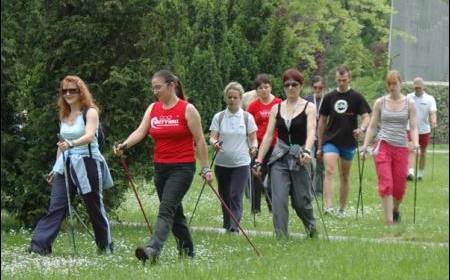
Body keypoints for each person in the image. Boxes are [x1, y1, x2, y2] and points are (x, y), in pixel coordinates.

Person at [113, 70, 213, 264]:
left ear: (171, 86)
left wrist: (206, 168)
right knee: (175, 212)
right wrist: (124, 145)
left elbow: (200, 140)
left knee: (166, 209)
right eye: (153, 88)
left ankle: (153, 248)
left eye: (158, 87)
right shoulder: (153, 108)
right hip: (161, 167)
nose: (155, 91)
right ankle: (188, 252)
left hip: (182, 168)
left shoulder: (187, 109)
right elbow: (141, 131)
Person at [28, 75, 114, 256]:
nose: (68, 94)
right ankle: (38, 247)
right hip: (65, 165)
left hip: (88, 163)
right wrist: (55, 169)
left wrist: (72, 144)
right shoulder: (64, 116)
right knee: (56, 206)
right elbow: (62, 145)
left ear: (81, 91)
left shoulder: (90, 112)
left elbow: (90, 135)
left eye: (72, 90)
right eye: (64, 91)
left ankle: (105, 247)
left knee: (94, 207)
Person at [253, 68, 317, 239]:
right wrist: (258, 160)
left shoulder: (308, 107)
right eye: (287, 85)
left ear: (301, 86)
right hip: (279, 157)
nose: (290, 88)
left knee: (301, 202)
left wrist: (307, 150)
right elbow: (268, 136)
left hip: (300, 157)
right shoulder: (277, 108)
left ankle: (311, 228)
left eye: (294, 84)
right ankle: (281, 237)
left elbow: (311, 131)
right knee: (279, 200)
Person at [360, 70, 419, 226]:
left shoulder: (410, 103)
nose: (392, 87)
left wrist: (416, 143)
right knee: (387, 184)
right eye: (389, 84)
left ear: (401, 83)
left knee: (399, 188)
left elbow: (413, 127)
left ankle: (395, 209)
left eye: (395, 83)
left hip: (401, 146)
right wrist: (365, 147)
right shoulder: (380, 102)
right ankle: (389, 222)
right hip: (383, 144)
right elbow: (372, 126)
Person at [317, 66, 371, 218]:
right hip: (331, 140)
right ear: (335, 79)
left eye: (344, 80)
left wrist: (361, 128)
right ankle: (328, 207)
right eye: (339, 80)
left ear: (349, 79)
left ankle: (341, 209)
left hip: (348, 141)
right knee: (329, 171)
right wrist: (320, 145)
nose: (341, 83)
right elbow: (322, 122)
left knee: (344, 175)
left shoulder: (356, 97)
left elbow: (367, 117)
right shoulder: (329, 97)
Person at [209, 81, 258, 233]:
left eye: (235, 97)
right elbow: (212, 137)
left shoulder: (247, 117)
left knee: (235, 194)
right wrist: (214, 143)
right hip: (222, 162)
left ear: (240, 98)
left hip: (241, 162)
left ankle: (234, 226)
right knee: (224, 195)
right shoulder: (219, 117)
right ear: (225, 98)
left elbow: (253, 138)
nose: (232, 100)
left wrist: (254, 147)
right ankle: (227, 223)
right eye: (229, 97)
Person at [247, 74, 282, 214]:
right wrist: (251, 145)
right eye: (260, 88)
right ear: (256, 90)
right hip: (258, 147)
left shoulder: (279, 103)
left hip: (275, 146)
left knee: (273, 179)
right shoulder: (253, 106)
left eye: (266, 87)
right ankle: (255, 209)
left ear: (271, 87)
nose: (263, 90)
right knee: (257, 176)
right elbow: (248, 127)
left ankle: (273, 207)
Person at [406, 77, 438, 181]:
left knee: (423, 152)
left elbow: (433, 112)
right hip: (410, 128)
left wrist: (434, 121)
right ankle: (410, 172)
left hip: (424, 130)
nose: (417, 89)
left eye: (419, 87)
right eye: (415, 87)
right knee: (411, 148)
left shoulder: (430, 98)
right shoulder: (408, 97)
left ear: (423, 86)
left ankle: (420, 174)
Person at [304, 75, 326, 195]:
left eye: (320, 88)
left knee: (320, 165)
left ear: (324, 88)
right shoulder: (307, 100)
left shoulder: (327, 100)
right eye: (315, 87)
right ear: (312, 87)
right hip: (309, 135)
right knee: (308, 162)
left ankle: (318, 190)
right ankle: (309, 188)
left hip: (323, 136)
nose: (317, 90)